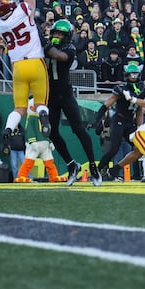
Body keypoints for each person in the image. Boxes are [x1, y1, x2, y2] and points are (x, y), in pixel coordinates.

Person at [0, 0, 50, 146]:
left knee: (20, 107)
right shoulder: (23, 10)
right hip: (35, 62)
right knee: (40, 102)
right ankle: (43, 115)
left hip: (17, 67)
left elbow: (0, 4)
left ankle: (9, 128)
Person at [39, 19, 101, 186]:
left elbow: (57, 55)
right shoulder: (43, 46)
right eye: (56, 33)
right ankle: (72, 165)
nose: (57, 36)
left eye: (61, 34)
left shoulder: (70, 48)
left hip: (66, 95)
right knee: (51, 133)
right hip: (50, 96)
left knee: (78, 130)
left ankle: (93, 166)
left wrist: (42, 41)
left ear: (67, 36)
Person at [90, 62, 145, 179]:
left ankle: (134, 174)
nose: (134, 77)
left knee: (140, 147)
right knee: (114, 149)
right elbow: (106, 104)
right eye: (132, 74)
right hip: (119, 119)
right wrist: (96, 120)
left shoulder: (142, 88)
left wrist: (140, 127)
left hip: (130, 121)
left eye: (136, 74)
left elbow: (140, 109)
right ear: (127, 75)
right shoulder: (121, 89)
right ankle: (97, 171)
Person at [12, 99, 61, 183]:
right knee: (29, 161)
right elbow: (30, 130)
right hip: (35, 144)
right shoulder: (31, 118)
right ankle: (22, 176)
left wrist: (50, 141)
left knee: (49, 162)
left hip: (45, 144)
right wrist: (32, 141)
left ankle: (54, 176)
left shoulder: (44, 119)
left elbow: (46, 131)